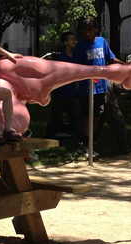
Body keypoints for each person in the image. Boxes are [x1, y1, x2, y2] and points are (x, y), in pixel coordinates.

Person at [72, 17, 125, 156]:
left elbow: (110, 58)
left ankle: (90, 142)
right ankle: (84, 143)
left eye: (90, 29)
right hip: (86, 88)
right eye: (85, 29)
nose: (87, 32)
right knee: (87, 116)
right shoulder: (80, 47)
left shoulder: (102, 42)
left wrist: (125, 65)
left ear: (96, 30)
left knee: (98, 115)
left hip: (101, 87)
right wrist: (77, 84)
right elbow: (75, 67)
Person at [44, 31, 81, 141]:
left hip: (72, 93)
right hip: (61, 93)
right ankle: (48, 137)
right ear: (65, 42)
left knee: (76, 117)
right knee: (55, 116)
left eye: (74, 39)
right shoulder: (62, 58)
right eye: (71, 39)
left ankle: (81, 139)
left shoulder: (75, 57)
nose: (74, 41)